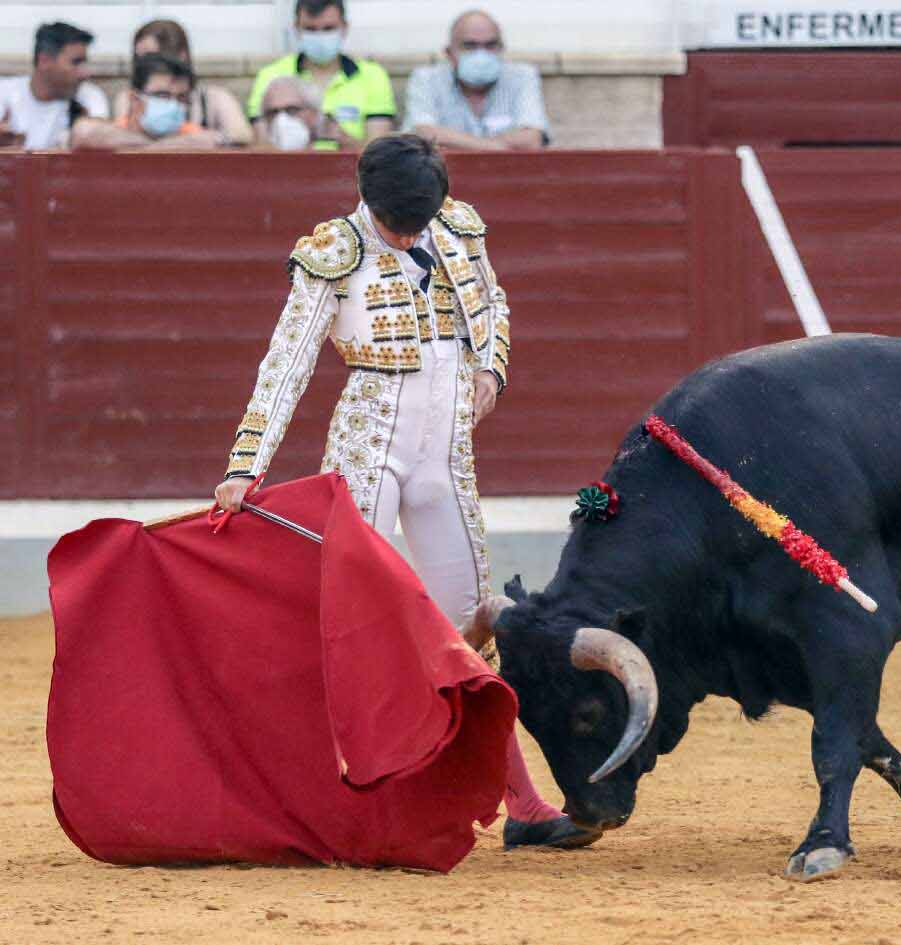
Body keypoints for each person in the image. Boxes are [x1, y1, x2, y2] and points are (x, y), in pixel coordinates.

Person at [214, 134, 593, 850]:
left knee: (471, 628)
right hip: (367, 444)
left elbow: (494, 303)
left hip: (446, 449)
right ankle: (343, 789)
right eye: (399, 223)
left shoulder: (456, 226)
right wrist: (246, 464)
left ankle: (523, 804)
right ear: (367, 197)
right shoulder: (334, 251)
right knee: (356, 623)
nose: (413, 234)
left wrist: (491, 368)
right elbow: (285, 364)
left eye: (421, 220)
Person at [247, 0, 395, 150]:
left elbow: (380, 153)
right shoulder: (271, 75)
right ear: (296, 28)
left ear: (345, 28)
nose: (320, 36)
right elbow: (260, 146)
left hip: (351, 170)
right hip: (287, 169)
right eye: (310, 29)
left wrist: (342, 138)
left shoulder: (373, 76)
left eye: (328, 28)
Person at [403, 9, 548, 151]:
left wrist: (453, 142)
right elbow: (422, 135)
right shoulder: (426, 79)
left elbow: (532, 140)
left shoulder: (522, 76)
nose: (481, 54)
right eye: (470, 46)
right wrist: (500, 148)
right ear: (449, 53)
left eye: (490, 45)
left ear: (501, 48)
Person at [110, 19, 252, 146]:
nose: (145, 64)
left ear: (182, 56)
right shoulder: (130, 98)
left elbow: (240, 136)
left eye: (154, 56)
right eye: (139, 58)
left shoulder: (214, 98)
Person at [72, 54, 224, 151]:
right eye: (163, 95)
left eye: (182, 98)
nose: (174, 104)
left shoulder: (191, 131)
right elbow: (83, 132)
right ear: (134, 99)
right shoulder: (116, 129)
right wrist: (164, 147)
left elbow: (212, 141)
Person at [0, 22, 108, 150]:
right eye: (76, 62)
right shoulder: (5, 92)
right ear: (44, 61)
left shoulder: (90, 96)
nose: (85, 73)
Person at [257, 76, 324, 150]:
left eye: (292, 110)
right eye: (273, 113)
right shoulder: (254, 161)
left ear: (313, 114)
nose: (281, 120)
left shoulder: (335, 158)